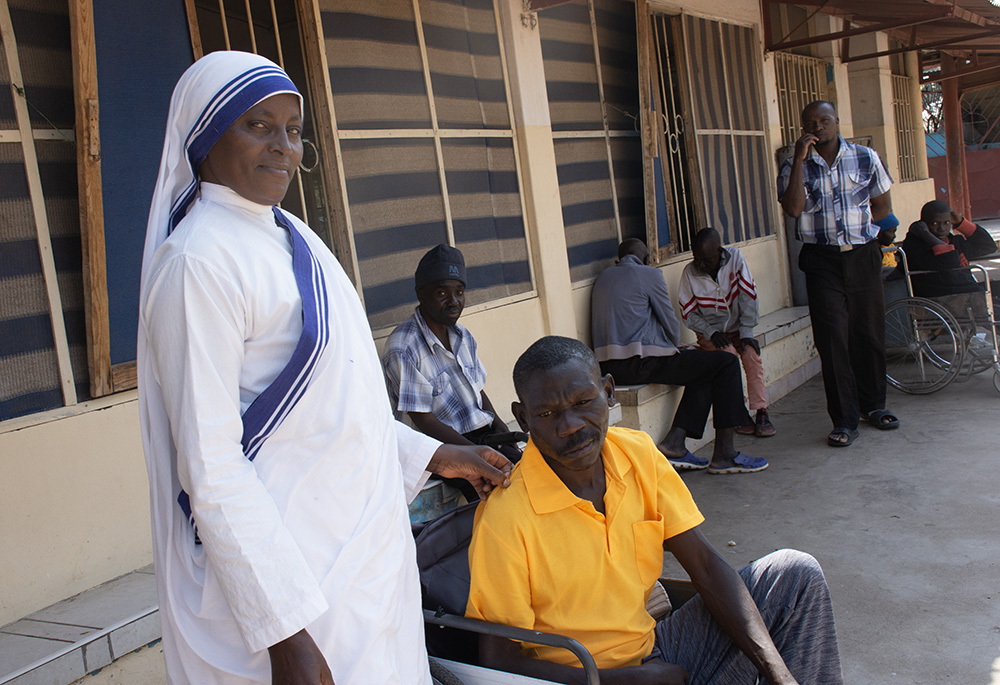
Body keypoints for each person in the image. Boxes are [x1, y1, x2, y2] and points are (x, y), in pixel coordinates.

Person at [137, 51, 510, 684]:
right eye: (258, 125)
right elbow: (211, 463)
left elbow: (339, 408)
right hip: (290, 586)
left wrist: (432, 456)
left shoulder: (299, 239)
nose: (283, 146)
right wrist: (283, 629)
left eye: (293, 128)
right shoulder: (196, 263)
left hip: (362, 559)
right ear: (204, 135)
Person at [466, 336, 843, 684]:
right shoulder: (506, 517)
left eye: (582, 403)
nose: (569, 426)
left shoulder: (638, 452)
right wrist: (629, 681)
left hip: (656, 651)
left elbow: (706, 566)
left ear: (609, 392)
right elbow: (499, 663)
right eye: (547, 414)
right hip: (586, 678)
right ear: (522, 417)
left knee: (795, 573)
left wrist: (779, 673)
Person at [778, 100, 900, 447]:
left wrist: (868, 236)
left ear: (837, 122)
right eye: (810, 122)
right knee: (832, 339)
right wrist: (800, 160)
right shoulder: (792, 165)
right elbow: (792, 209)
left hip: (862, 255)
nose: (818, 127)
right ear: (802, 127)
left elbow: (882, 205)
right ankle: (844, 420)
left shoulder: (864, 157)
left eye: (824, 120)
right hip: (821, 260)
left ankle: (875, 406)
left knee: (869, 334)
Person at [591, 238, 767, 475]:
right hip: (641, 362)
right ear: (645, 260)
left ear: (618, 260)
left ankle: (675, 443)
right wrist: (675, 347)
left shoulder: (602, 279)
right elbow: (672, 329)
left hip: (609, 367)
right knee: (726, 363)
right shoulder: (648, 275)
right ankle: (725, 453)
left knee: (704, 369)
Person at [383, 244, 521, 501]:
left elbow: (476, 388)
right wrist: (475, 454)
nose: (454, 301)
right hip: (440, 448)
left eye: (459, 292)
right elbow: (423, 421)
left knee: (529, 473)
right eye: (442, 292)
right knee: (500, 497)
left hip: (480, 435)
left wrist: (501, 428)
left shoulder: (462, 335)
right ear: (421, 294)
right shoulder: (403, 346)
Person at [678, 227, 775, 438]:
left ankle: (761, 411)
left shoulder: (736, 258)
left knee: (751, 355)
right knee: (728, 357)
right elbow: (689, 314)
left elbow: (748, 296)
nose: (701, 265)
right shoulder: (689, 273)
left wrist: (747, 332)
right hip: (711, 334)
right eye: (697, 259)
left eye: (707, 260)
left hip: (739, 328)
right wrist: (711, 332)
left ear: (720, 252)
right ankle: (738, 413)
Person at [897, 200, 997, 299]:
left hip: (970, 292)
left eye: (947, 222)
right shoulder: (916, 247)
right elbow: (950, 260)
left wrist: (961, 223)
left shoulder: (955, 241)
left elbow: (988, 246)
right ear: (923, 224)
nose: (942, 228)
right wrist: (926, 235)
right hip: (947, 298)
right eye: (935, 223)